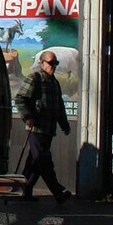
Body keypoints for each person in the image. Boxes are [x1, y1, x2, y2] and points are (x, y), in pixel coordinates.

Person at [18, 49, 71, 203]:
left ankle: (23, 191)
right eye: (50, 63)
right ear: (42, 63)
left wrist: (64, 124)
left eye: (56, 63)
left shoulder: (54, 82)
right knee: (43, 159)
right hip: (36, 128)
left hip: (49, 129)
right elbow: (21, 98)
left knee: (34, 163)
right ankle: (58, 192)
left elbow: (59, 105)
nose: (53, 66)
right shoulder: (34, 78)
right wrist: (27, 116)